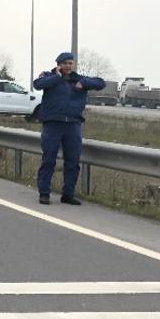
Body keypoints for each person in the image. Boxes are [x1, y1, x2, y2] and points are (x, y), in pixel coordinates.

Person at [33, 51, 105, 205]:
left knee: (72, 162)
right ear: (58, 65)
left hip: (73, 124)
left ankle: (68, 194)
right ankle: (44, 193)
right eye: (64, 63)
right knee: (49, 160)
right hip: (53, 124)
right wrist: (56, 77)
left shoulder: (78, 79)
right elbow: (38, 85)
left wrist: (84, 84)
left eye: (70, 63)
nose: (67, 66)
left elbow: (100, 83)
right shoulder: (48, 76)